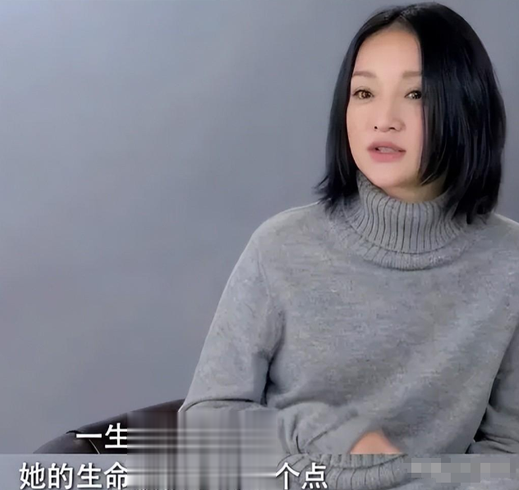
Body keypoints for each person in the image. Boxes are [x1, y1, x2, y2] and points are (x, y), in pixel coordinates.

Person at [178, 2, 517, 489]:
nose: (383, 119)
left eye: (416, 94)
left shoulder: (509, 263)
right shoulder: (280, 249)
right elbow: (204, 425)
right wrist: (330, 435)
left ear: (467, 104)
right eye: (364, 93)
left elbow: (509, 452)